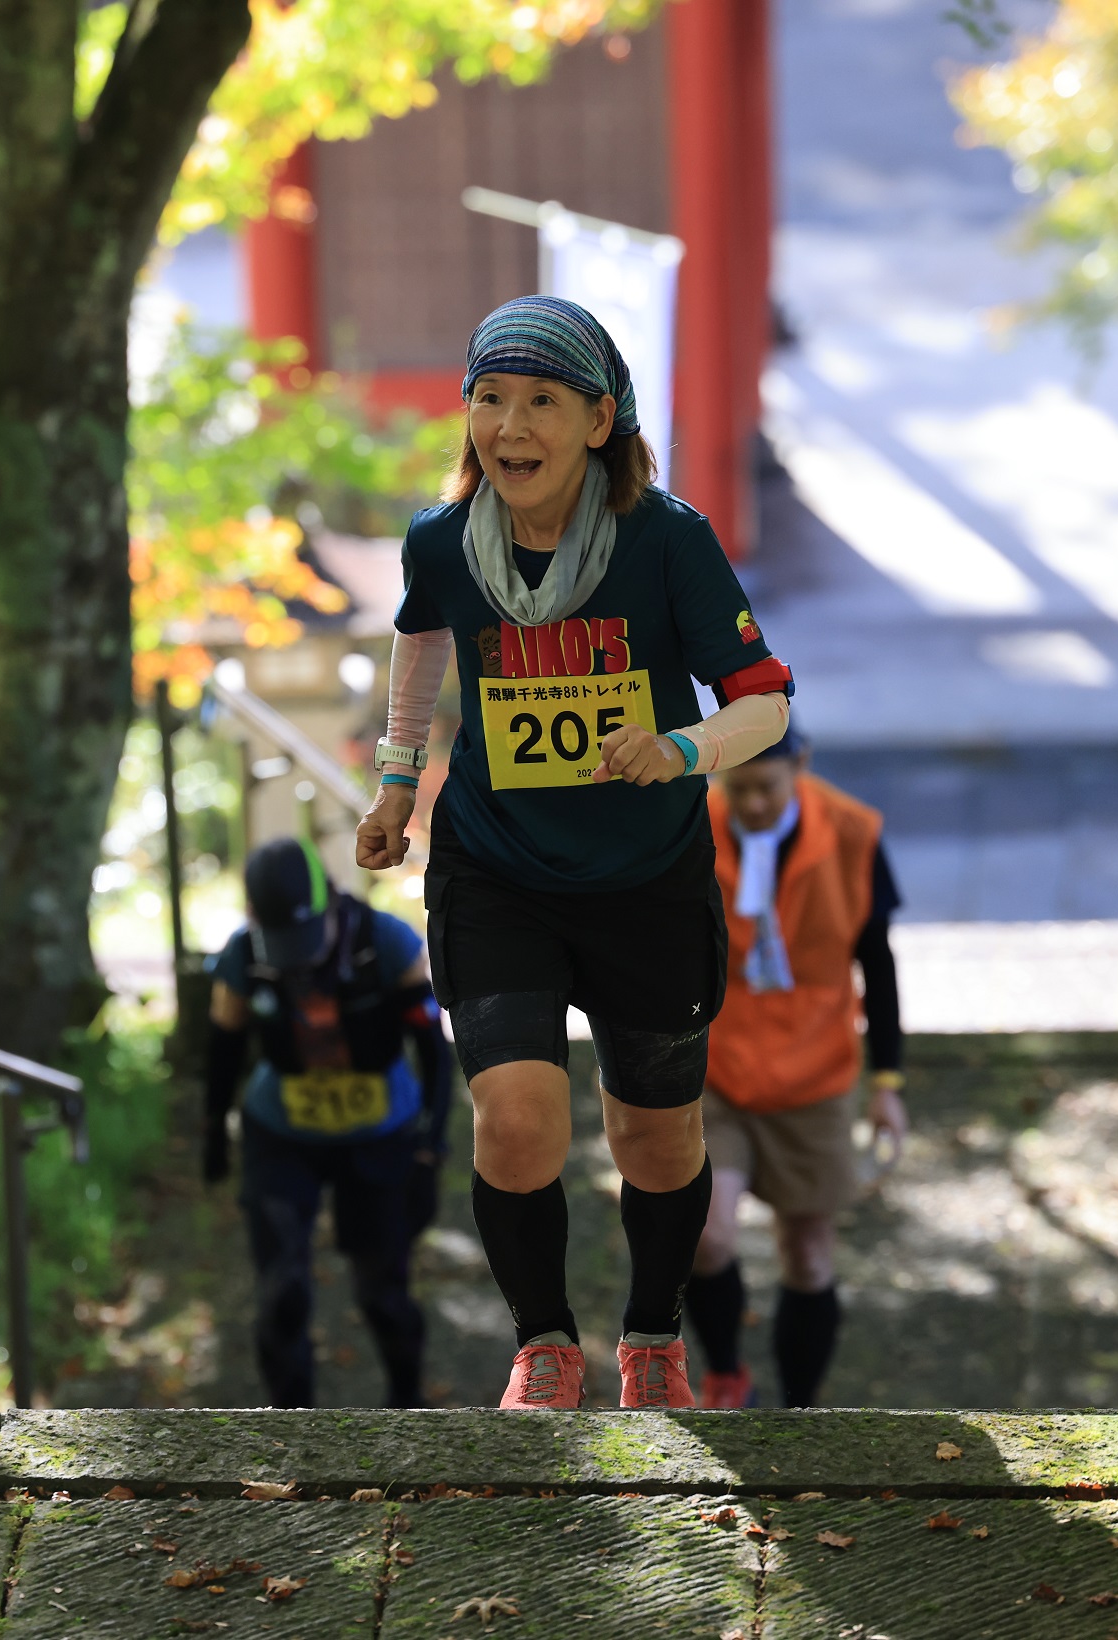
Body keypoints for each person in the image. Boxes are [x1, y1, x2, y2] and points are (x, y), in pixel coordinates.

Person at [355, 295, 794, 1410]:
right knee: (515, 1121)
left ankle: (651, 1340)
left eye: (542, 401)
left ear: (599, 420)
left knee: (655, 1139)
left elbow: (765, 702)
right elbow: (421, 632)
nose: (510, 426)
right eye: (490, 398)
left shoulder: (667, 539)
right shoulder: (443, 540)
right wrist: (397, 783)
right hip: (496, 869)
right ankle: (543, 1344)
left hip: (645, 878)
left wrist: (682, 748)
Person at [687, 726, 906, 1409]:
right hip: (717, 1065)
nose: (753, 803)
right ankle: (726, 1375)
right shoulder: (691, 826)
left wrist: (888, 1082)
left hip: (815, 1073)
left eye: (767, 787)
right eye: (738, 788)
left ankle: (801, 1409)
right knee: (704, 1236)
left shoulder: (853, 833)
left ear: (800, 766)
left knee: (808, 1254)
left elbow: (878, 963)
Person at [206, 836, 455, 1408]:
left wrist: (430, 1146)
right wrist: (213, 1133)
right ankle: (289, 1429)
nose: (298, 960)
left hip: (381, 1131)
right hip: (281, 1134)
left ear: (332, 901)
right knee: (282, 1291)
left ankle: (408, 1410)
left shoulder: (387, 943)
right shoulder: (242, 956)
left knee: (383, 1292)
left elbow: (434, 1054)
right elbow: (223, 1047)